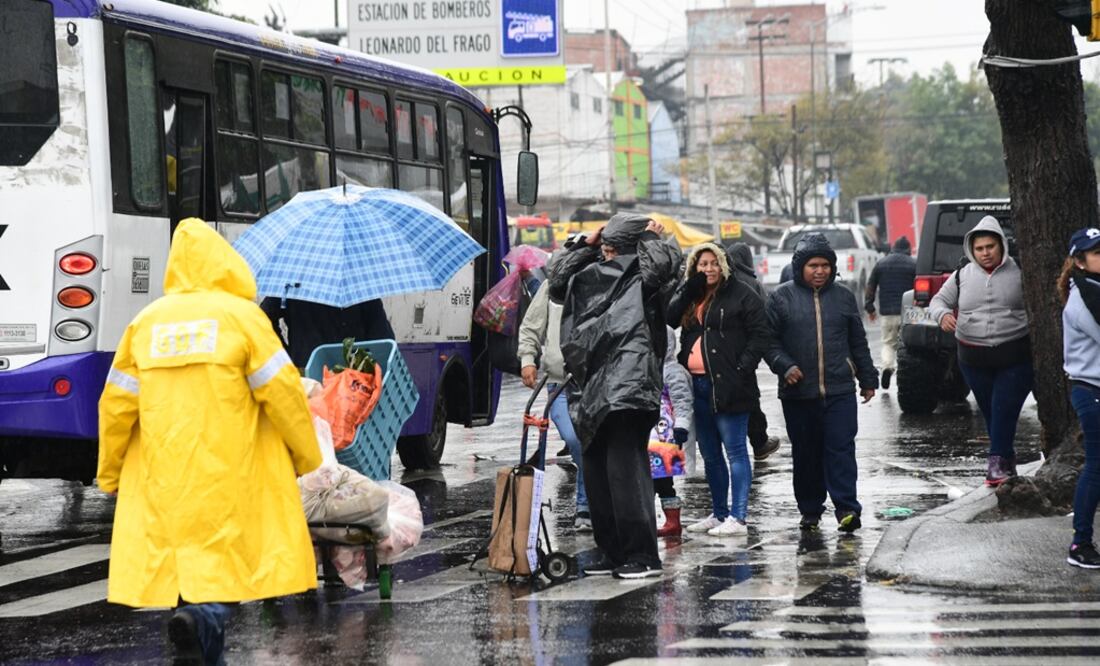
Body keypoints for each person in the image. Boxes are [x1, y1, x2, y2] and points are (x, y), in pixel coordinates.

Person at [97, 219, 322, 665]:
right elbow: (284, 394)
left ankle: (193, 634)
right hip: (230, 468)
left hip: (166, 473)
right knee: (221, 569)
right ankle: (199, 622)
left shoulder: (145, 324)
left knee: (187, 565)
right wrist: (306, 456)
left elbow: (115, 405)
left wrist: (110, 472)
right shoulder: (243, 319)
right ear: (224, 263)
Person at [549, 212, 681, 579]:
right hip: (591, 385)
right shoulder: (588, 274)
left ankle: (642, 555)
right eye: (604, 247)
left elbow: (663, 269)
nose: (606, 254)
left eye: (611, 248)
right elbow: (556, 281)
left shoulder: (645, 277)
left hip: (629, 384)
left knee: (625, 472)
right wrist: (582, 246)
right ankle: (611, 551)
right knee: (596, 471)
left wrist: (651, 241)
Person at [765, 233, 878, 533]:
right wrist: (784, 365)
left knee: (841, 450)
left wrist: (867, 378)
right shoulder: (780, 298)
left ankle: (847, 510)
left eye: (825, 265)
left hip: (840, 390)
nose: (820, 270)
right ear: (801, 267)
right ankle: (810, 509)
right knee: (806, 454)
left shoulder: (843, 297)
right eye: (813, 265)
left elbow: (858, 340)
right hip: (798, 394)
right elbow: (768, 341)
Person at [667, 243, 771, 537]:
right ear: (694, 267)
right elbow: (670, 319)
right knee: (710, 454)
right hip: (696, 386)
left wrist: (742, 368)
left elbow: (761, 334)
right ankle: (719, 512)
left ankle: (738, 517)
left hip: (730, 386)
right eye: (703, 264)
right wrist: (689, 289)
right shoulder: (693, 294)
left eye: (714, 263)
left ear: (723, 265)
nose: (709, 269)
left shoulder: (741, 293)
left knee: (735, 450)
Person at [929, 216, 1031, 486]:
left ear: (1001, 246)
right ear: (971, 251)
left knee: (1003, 407)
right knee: (991, 411)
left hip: (1015, 354)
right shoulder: (963, 274)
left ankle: (996, 464)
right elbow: (938, 300)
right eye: (979, 249)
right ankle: (1007, 460)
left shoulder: (1020, 269)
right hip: (973, 358)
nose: (985, 253)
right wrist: (942, 316)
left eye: (990, 247)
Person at [517, 252, 591, 531]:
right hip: (558, 381)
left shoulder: (601, 284)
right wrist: (527, 360)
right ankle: (585, 504)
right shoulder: (552, 287)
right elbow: (531, 327)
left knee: (590, 442)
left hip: (590, 380)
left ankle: (586, 507)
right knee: (575, 441)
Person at [1058, 227, 1100, 568]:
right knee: (1096, 467)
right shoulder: (1083, 301)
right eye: (1096, 253)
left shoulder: (1093, 290)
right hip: (1092, 391)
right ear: (1079, 262)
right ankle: (1080, 544)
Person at [725, 242, 782, 460]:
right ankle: (759, 443)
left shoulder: (723, 281)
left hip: (720, 351)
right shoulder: (753, 284)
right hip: (746, 352)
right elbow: (765, 320)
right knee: (749, 398)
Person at [260, 297, 395, 368]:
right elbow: (384, 340)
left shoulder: (291, 282)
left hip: (306, 372)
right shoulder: (360, 287)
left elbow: (261, 319)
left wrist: (284, 354)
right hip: (354, 378)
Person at [652, 326, 694, 538]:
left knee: (663, 481)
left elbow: (682, 400)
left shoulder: (673, 371)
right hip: (650, 435)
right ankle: (650, 518)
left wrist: (682, 425)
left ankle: (672, 520)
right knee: (648, 479)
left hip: (667, 435)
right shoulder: (649, 368)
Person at [864, 236, 917, 390]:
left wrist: (870, 307)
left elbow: (870, 286)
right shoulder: (913, 264)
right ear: (908, 249)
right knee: (909, 346)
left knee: (888, 343)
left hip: (887, 313)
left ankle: (887, 367)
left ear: (894, 247)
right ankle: (907, 377)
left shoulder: (881, 263)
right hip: (909, 312)